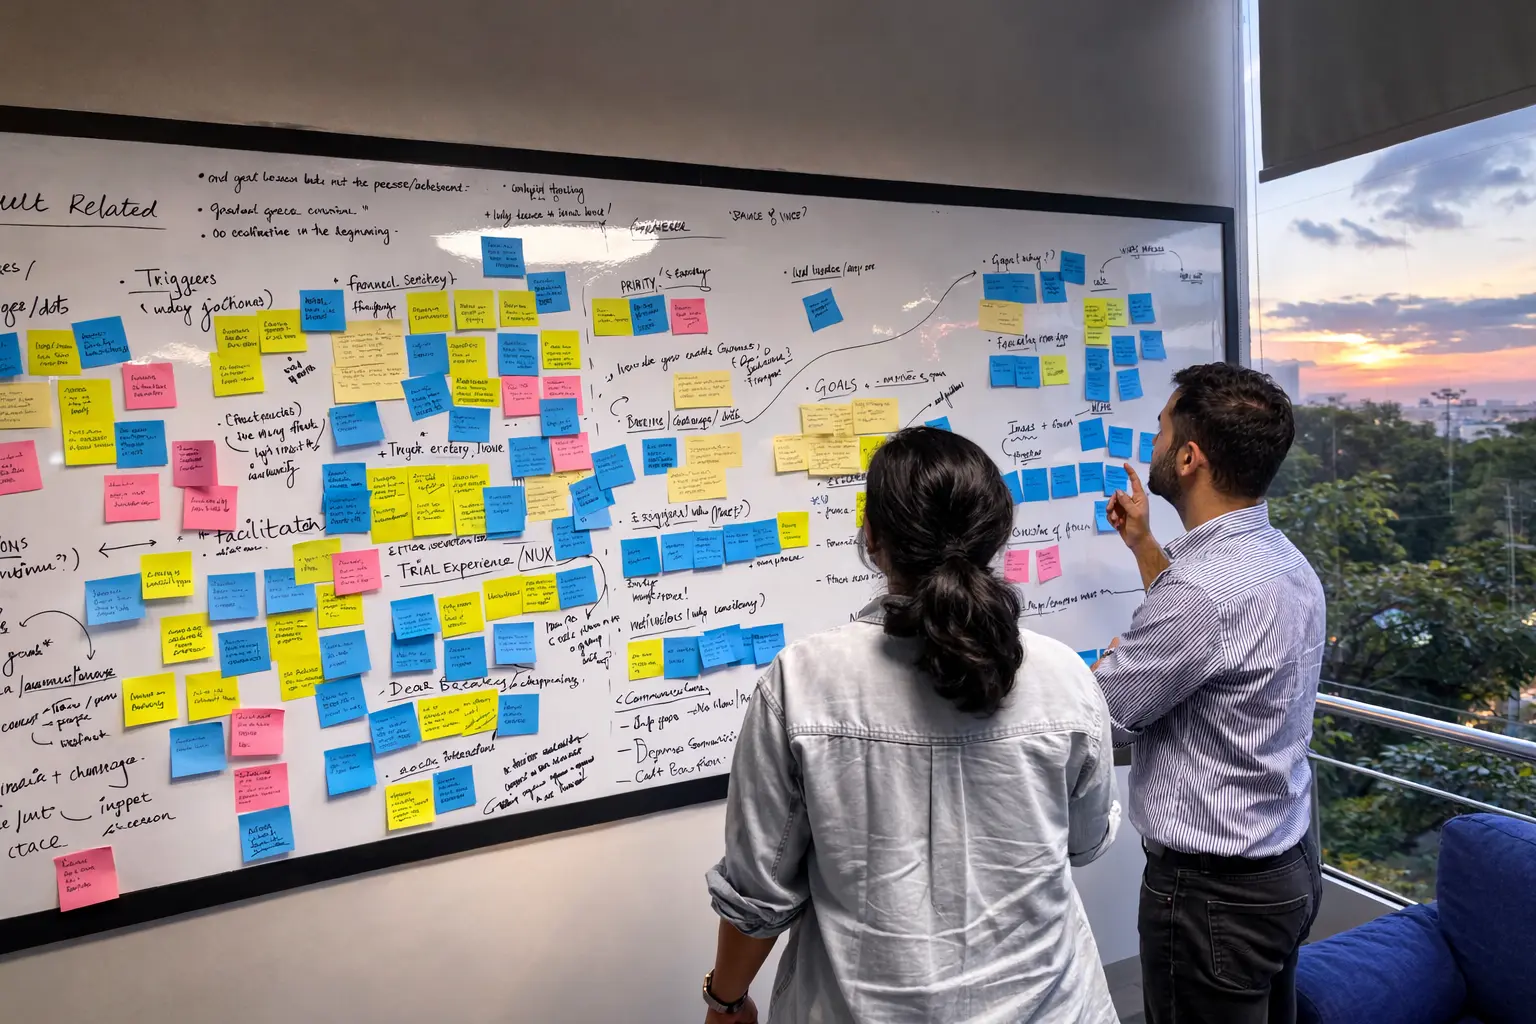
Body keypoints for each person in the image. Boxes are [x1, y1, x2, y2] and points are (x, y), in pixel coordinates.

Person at [699, 427, 1121, 1024]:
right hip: (1052, 1008)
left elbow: (758, 894)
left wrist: (726, 999)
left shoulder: (801, 681)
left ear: (871, 537)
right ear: (995, 535)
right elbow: (1086, 842)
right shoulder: (1065, 676)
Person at [1095, 362, 1326, 1024]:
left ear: (1191, 457)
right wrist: (1142, 545)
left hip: (1211, 897)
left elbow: (1105, 718)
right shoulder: (1283, 561)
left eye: (1162, 430)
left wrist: (1113, 663)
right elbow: (1206, 638)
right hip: (1284, 867)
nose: (1155, 444)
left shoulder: (1201, 594)